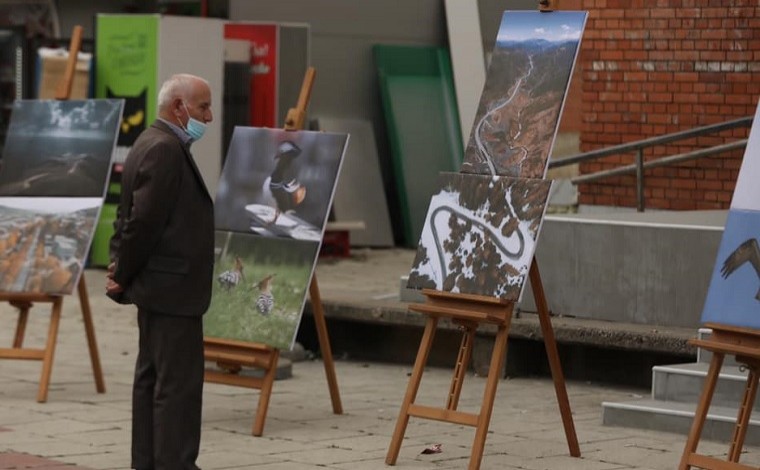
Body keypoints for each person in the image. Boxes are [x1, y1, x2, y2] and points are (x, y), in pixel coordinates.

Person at [106, 73, 215, 470]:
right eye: (203, 106)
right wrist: (124, 271)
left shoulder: (149, 141)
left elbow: (128, 216)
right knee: (177, 387)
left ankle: (148, 462)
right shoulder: (165, 148)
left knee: (151, 381)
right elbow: (143, 222)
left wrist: (122, 268)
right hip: (172, 289)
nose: (210, 115)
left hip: (159, 286)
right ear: (178, 107)